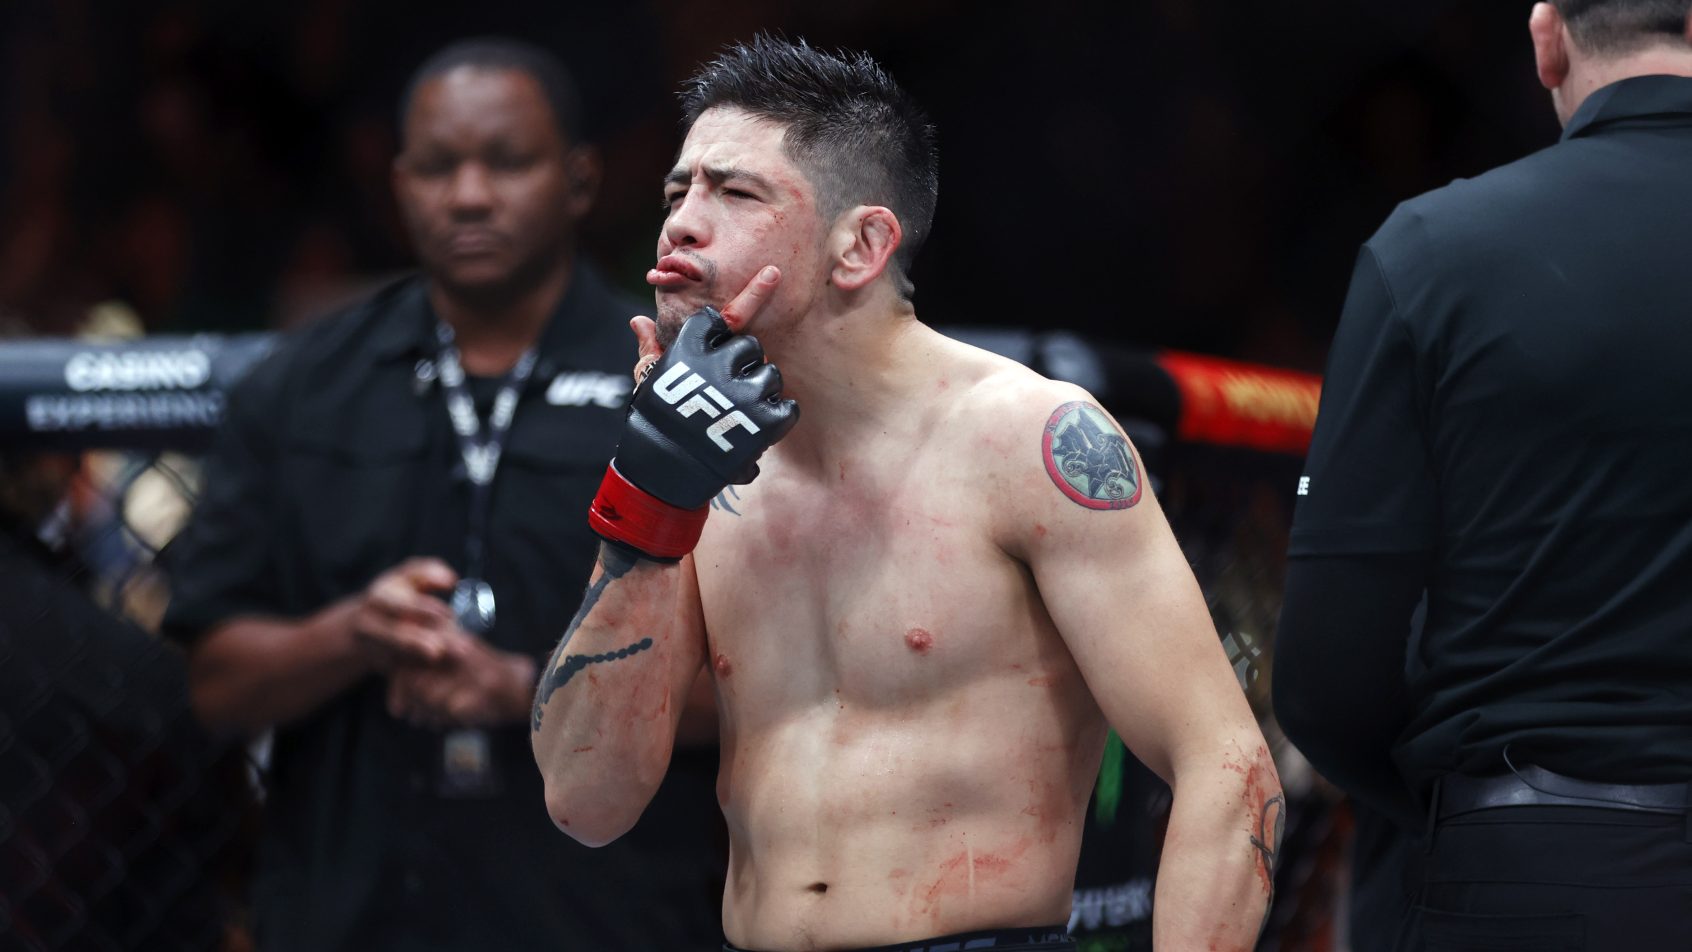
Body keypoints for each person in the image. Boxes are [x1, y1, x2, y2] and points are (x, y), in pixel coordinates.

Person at [531, 36, 1281, 952]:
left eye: (734, 192)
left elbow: (1228, 763)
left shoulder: (1030, 439)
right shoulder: (706, 472)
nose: (681, 224)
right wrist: (648, 505)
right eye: (675, 192)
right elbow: (585, 801)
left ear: (862, 244)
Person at [163, 38, 723, 950]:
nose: (468, 194)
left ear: (579, 179)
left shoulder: (669, 385)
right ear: (397, 182)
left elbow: (756, 686)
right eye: (436, 166)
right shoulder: (301, 384)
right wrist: (352, 635)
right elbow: (210, 686)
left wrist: (532, 690)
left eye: (507, 162)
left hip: (607, 917)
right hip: (352, 914)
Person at [1273, 1, 1692, 946]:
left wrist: (1454, 799)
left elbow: (1324, 680)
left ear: (1547, 41)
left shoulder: (1433, 252)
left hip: (1527, 867)